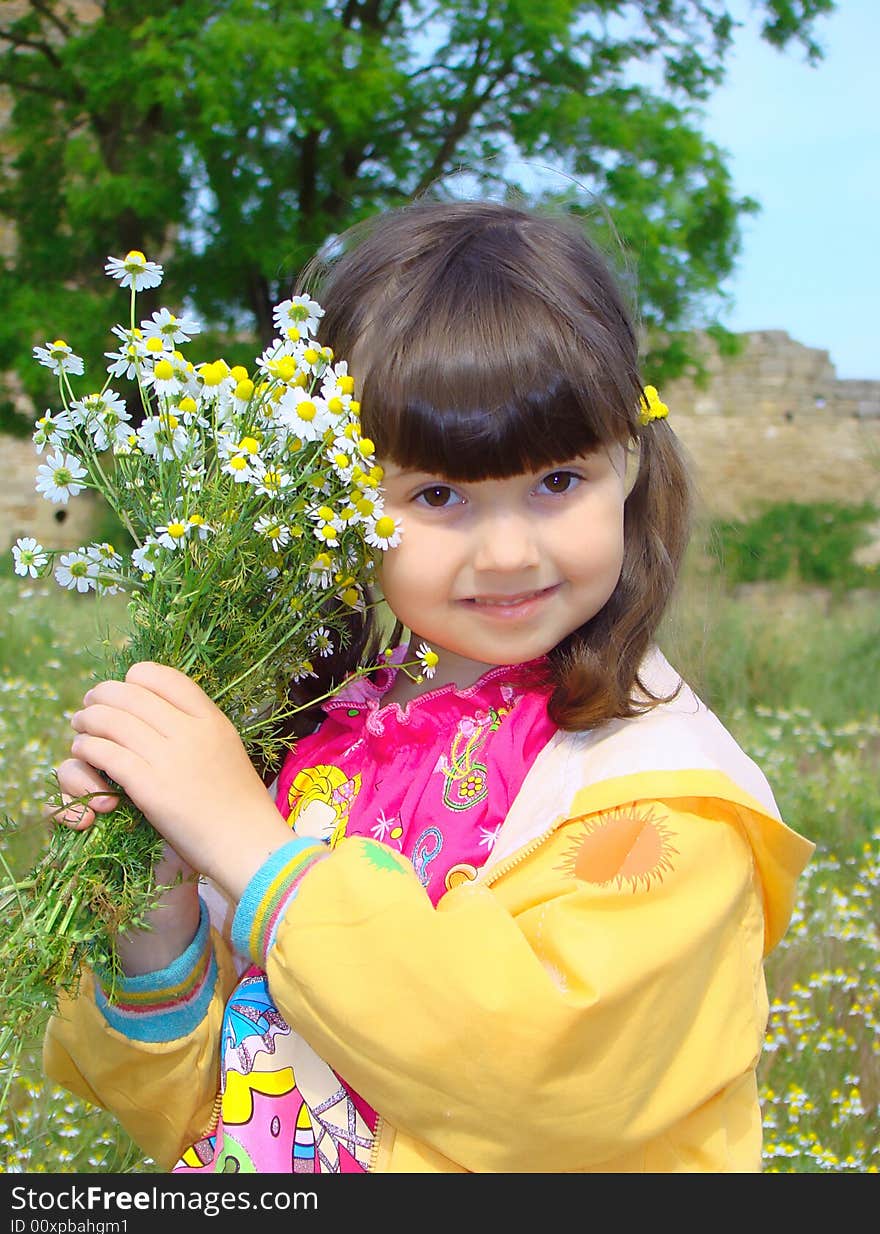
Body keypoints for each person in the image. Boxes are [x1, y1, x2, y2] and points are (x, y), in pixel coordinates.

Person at [43, 199, 813, 1174]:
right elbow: (227, 1111)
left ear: (627, 460)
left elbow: (538, 1093)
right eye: (438, 496)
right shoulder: (327, 739)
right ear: (338, 498)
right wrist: (157, 912)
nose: (507, 550)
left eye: (558, 481)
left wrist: (248, 844)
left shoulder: (661, 797)